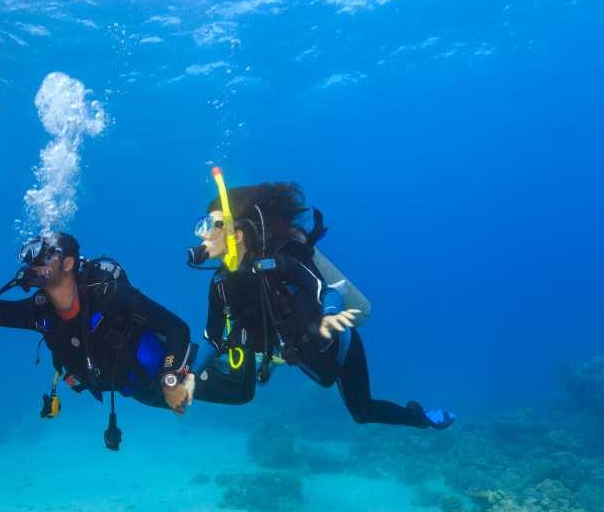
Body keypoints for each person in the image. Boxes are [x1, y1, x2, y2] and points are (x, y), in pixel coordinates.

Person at [185, 176, 454, 430]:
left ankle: (420, 418)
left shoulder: (277, 264)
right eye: (201, 225)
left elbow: (326, 291)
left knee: (362, 412)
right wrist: (190, 376)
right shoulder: (220, 284)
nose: (202, 234)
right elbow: (213, 339)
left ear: (238, 234)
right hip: (303, 356)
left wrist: (331, 315)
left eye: (209, 225)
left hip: (339, 345)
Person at [0, 197, 195, 449]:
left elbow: (177, 328)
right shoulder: (41, 313)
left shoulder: (109, 294)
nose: (35, 264)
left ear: (69, 263)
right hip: (132, 388)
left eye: (45, 256)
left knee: (235, 390)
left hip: (170, 374)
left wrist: (170, 379)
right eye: (32, 257)